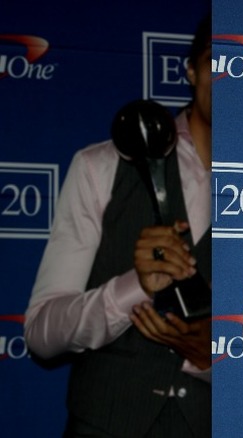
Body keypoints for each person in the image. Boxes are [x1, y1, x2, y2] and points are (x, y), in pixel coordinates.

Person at [24, 15, 212, 437]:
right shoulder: (102, 165)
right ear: (190, 69)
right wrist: (135, 286)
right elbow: (42, 333)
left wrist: (211, 356)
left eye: (237, 63)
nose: (225, 75)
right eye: (213, 59)